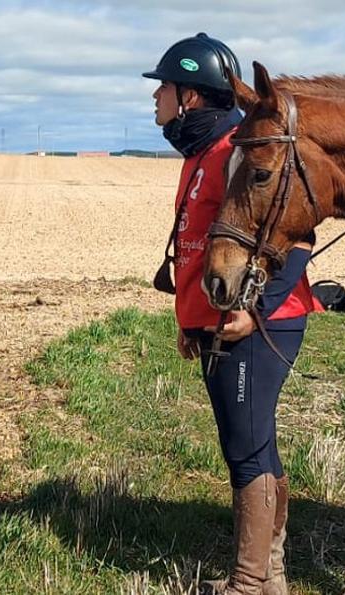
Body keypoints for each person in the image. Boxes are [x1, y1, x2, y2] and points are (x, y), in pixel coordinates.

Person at [143, 33, 317, 595]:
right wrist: (189, 321)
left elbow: (299, 239)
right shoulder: (201, 154)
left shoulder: (235, 151)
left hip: (261, 320)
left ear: (190, 95)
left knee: (245, 446)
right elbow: (201, 247)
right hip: (218, 322)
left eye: (163, 87)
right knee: (250, 441)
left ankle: (248, 581)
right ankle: (271, 578)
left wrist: (258, 313)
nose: (155, 99)